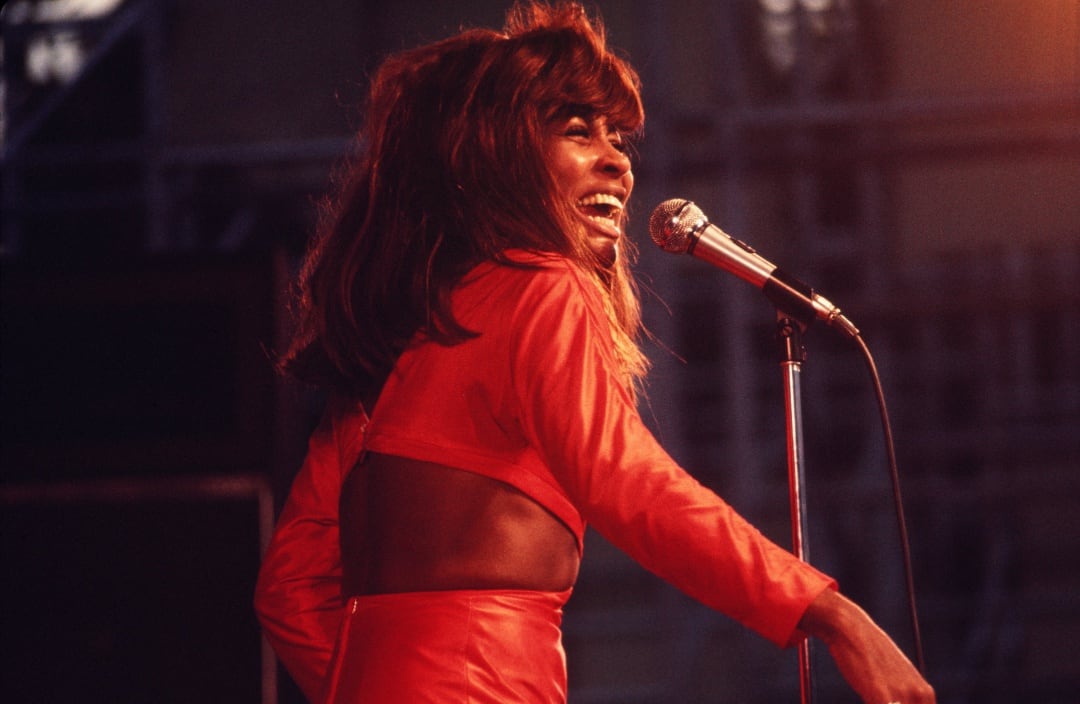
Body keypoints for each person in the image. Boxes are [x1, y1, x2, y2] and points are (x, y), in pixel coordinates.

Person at [254, 2, 936, 703]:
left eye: (618, 138)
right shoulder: (539, 285)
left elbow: (289, 590)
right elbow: (626, 480)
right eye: (580, 133)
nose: (618, 163)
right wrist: (827, 611)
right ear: (498, 153)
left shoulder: (400, 339)